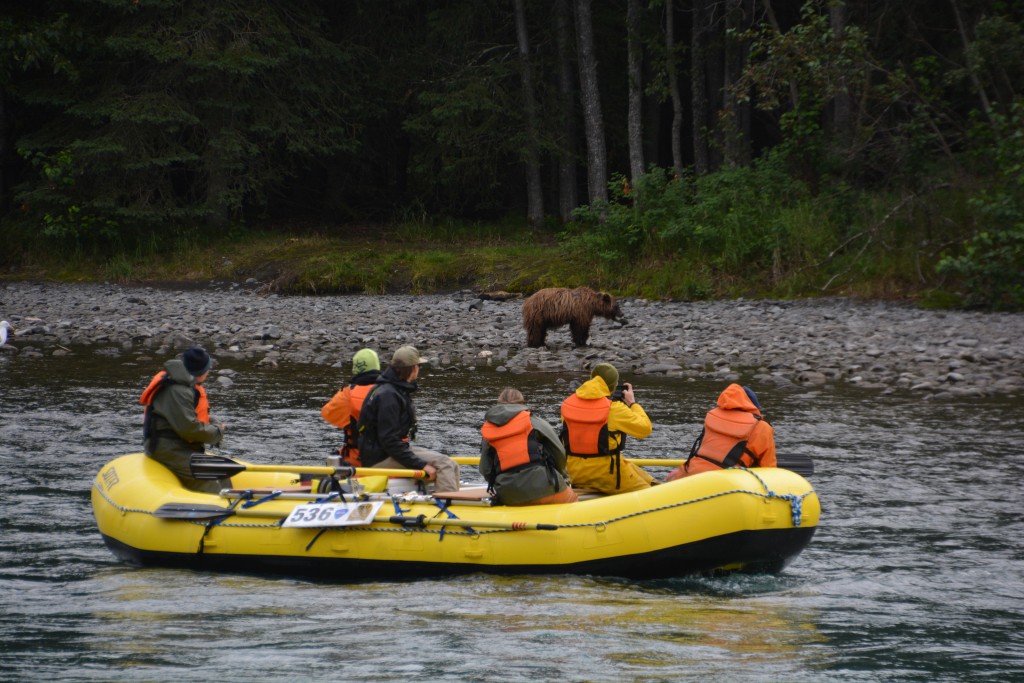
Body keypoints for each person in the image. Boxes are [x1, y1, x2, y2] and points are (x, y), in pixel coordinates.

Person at [355, 345, 460, 491]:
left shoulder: (392, 390)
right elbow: (389, 442)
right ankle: (448, 507)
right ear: (413, 368)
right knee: (444, 463)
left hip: (385, 453)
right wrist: (421, 465)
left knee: (452, 464)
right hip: (380, 459)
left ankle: (452, 499)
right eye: (418, 366)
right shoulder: (389, 396)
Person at [139, 345, 227, 493]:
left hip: (177, 446)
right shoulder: (178, 390)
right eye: (208, 368)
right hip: (168, 449)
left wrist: (211, 421)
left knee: (221, 473)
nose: (209, 371)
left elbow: (184, 417)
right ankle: (218, 512)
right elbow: (188, 429)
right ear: (201, 372)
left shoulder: (182, 385)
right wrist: (217, 432)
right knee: (208, 478)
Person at [560, 362, 655, 494]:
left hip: (574, 472)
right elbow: (645, 429)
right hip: (607, 474)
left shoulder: (567, 405)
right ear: (612, 387)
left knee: (642, 474)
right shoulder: (614, 409)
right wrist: (632, 403)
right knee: (651, 492)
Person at [480, 388, 578, 506]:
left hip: (508, 494)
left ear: (498, 404)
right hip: (543, 485)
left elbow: (485, 470)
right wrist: (562, 476)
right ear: (522, 403)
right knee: (574, 501)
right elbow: (559, 453)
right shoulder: (533, 421)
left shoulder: (488, 430)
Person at [666, 384, 776, 481]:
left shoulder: (712, 416)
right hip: (724, 484)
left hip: (689, 473)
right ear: (753, 407)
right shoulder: (762, 427)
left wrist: (681, 473)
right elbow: (769, 470)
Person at [321, 348, 381, 466]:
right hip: (389, 457)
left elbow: (327, 413)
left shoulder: (347, 393)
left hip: (357, 460)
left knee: (334, 458)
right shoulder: (392, 390)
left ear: (355, 369)